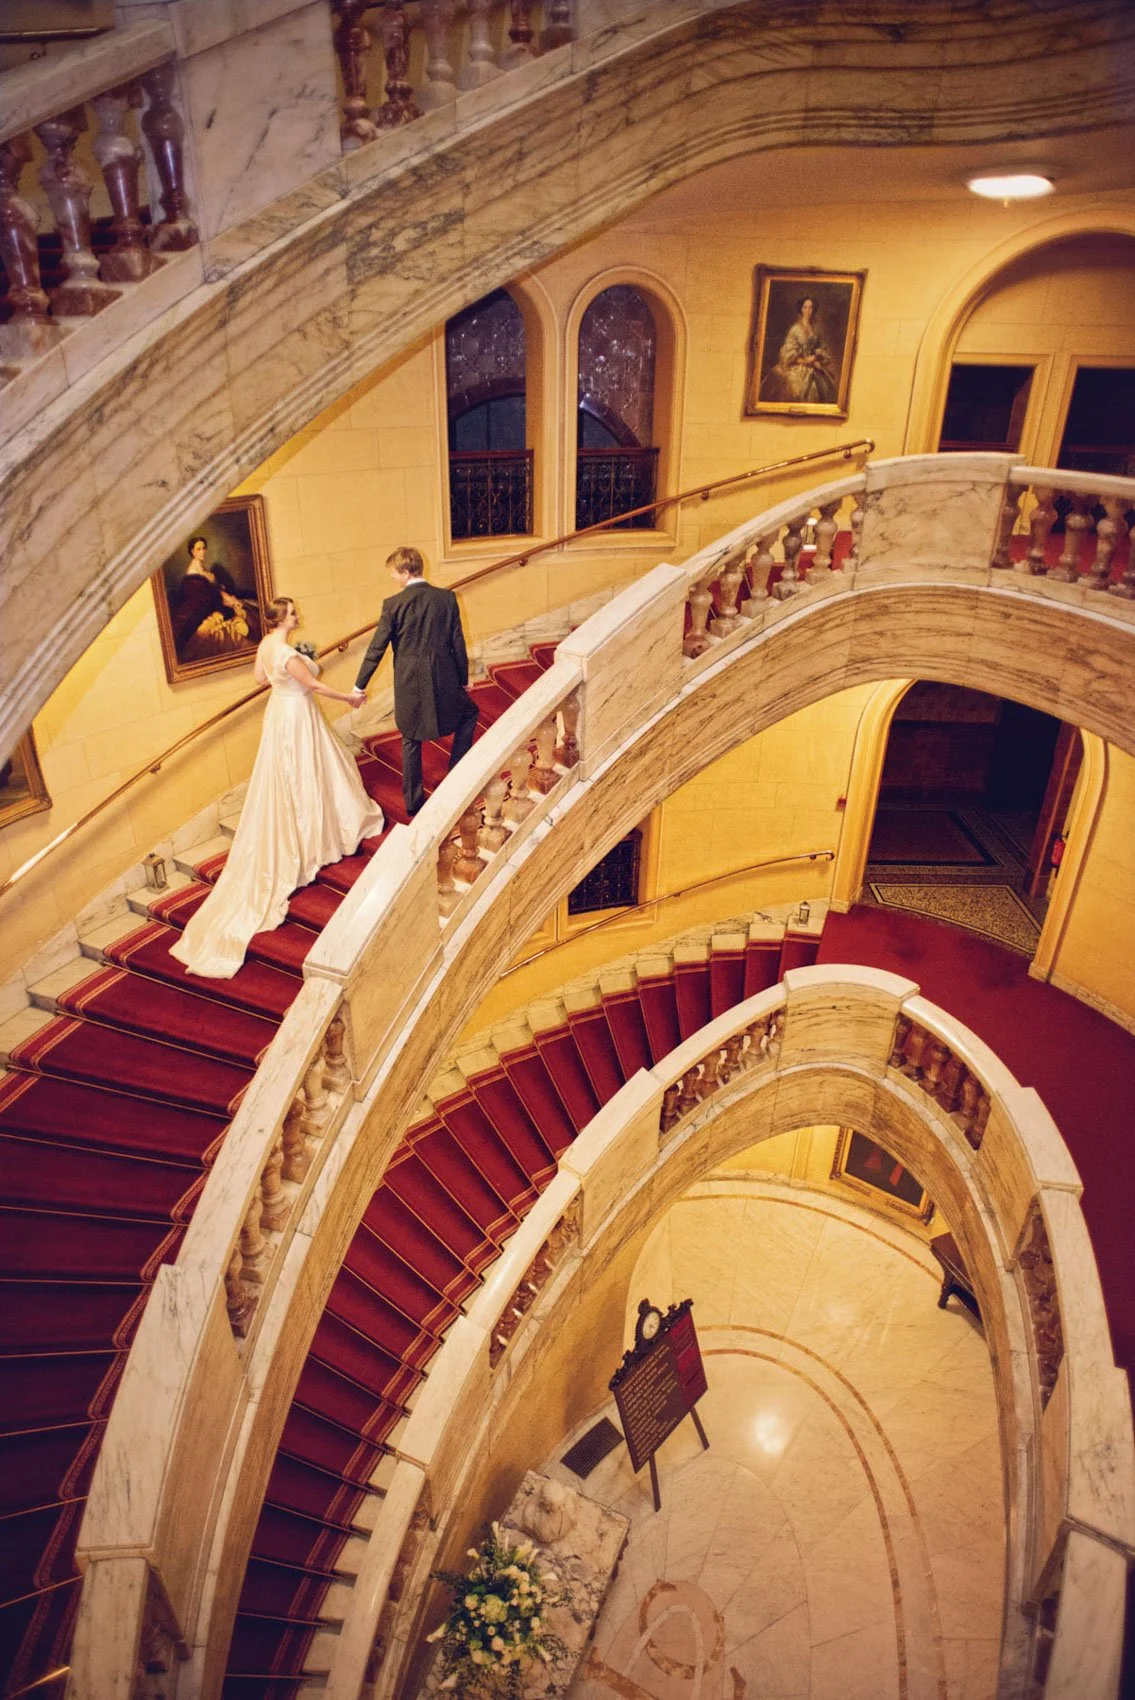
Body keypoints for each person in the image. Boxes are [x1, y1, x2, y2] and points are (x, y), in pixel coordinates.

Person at [169, 597, 384, 980]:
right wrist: (349, 697)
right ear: (282, 619)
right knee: (309, 771)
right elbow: (315, 685)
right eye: (293, 612)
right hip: (297, 716)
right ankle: (318, 835)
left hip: (280, 714)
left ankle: (309, 826)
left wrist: (287, 682)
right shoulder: (285, 652)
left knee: (292, 774)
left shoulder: (267, 646)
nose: (298, 614)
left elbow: (258, 679)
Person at [351, 547, 479, 818]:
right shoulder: (446, 598)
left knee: (410, 737)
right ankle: (456, 775)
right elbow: (458, 642)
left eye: (394, 573)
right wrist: (463, 679)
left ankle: (413, 802)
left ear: (406, 572)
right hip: (444, 676)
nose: (393, 578)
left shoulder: (393, 605)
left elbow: (377, 648)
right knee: (469, 713)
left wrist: (359, 686)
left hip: (409, 681)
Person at [170, 536, 262, 663]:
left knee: (245, 598)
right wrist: (223, 595)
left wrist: (222, 591)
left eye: (204, 548)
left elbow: (213, 587)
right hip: (204, 602)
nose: (202, 551)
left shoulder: (201, 565)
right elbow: (202, 592)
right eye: (199, 549)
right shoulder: (194, 568)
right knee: (234, 604)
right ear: (192, 551)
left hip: (214, 595)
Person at [758, 295, 838, 407]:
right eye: (805, 307)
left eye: (811, 307)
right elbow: (788, 354)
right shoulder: (795, 329)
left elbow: (821, 348)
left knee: (826, 384)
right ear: (801, 309)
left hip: (814, 364)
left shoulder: (815, 328)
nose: (808, 310)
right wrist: (805, 361)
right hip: (797, 366)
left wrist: (815, 358)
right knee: (798, 388)